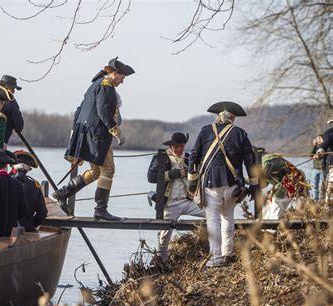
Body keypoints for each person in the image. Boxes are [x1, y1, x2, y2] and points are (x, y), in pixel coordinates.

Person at [53, 57, 135, 221]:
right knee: (109, 170)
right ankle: (101, 210)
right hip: (98, 136)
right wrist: (116, 131)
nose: (122, 81)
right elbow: (103, 111)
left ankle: (62, 193)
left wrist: (74, 131)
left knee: (97, 171)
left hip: (89, 134)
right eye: (122, 77)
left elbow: (79, 110)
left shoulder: (95, 85)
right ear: (112, 73)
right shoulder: (106, 86)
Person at [188, 101, 258, 267]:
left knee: (213, 222)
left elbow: (193, 157)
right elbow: (250, 162)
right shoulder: (241, 133)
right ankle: (228, 252)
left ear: (218, 117)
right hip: (233, 185)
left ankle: (216, 258)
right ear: (232, 119)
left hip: (211, 184)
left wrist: (192, 183)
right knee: (228, 218)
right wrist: (254, 186)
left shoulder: (205, 131)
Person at [147, 132, 205, 260]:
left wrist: (190, 174)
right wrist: (170, 174)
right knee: (164, 237)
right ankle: (161, 262)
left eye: (182, 146)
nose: (179, 149)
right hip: (170, 203)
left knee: (211, 214)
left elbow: (199, 175)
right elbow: (150, 177)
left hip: (188, 200)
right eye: (177, 146)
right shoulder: (161, 157)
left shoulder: (189, 158)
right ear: (171, 146)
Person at [260, 150, 309, 229]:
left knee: (277, 205)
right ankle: (265, 231)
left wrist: (241, 180)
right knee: (269, 205)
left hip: (290, 183)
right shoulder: (268, 160)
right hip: (288, 184)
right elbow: (263, 183)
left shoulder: (265, 161)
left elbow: (260, 178)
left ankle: (270, 232)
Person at [12, 150, 48, 231]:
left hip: (4, 232)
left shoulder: (5, 182)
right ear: (28, 169)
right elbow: (42, 213)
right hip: (26, 230)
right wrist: (31, 224)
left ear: (14, 166)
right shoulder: (35, 186)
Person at [0, 75, 25, 146]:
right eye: (13, 88)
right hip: (0, 144)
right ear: (6, 87)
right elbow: (19, 127)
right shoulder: (11, 103)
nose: (14, 91)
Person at [316, 118, 333, 205]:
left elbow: (324, 144)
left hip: (330, 163)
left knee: (329, 185)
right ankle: (326, 205)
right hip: (330, 163)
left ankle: (326, 205)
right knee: (329, 185)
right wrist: (320, 151)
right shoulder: (329, 134)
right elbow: (325, 144)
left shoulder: (328, 134)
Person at [310, 135, 324, 201]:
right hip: (315, 169)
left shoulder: (325, 147)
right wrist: (314, 145)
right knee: (314, 185)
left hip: (323, 168)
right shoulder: (316, 147)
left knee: (322, 185)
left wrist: (318, 155)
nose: (318, 140)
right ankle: (314, 200)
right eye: (317, 139)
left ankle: (322, 199)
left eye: (319, 138)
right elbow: (310, 155)